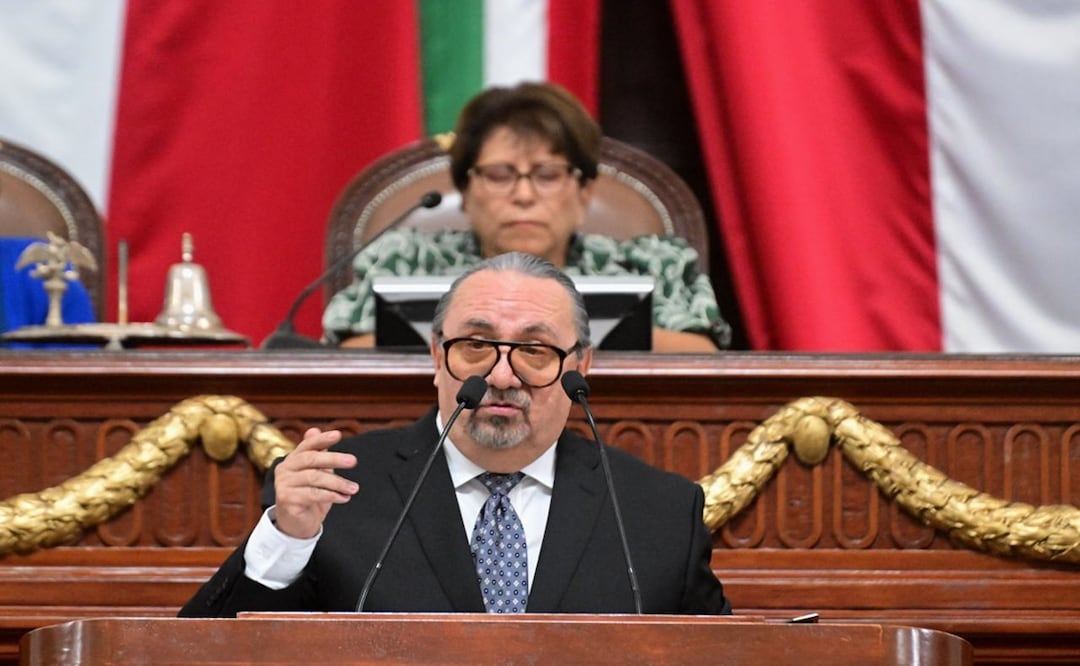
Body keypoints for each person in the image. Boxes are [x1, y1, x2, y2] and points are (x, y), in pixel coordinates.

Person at [181, 252, 731, 616]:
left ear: (580, 364)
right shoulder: (337, 489)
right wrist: (285, 538)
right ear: (436, 357)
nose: (499, 375)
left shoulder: (657, 512)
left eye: (535, 351)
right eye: (475, 346)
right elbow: (206, 652)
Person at [323, 81, 732, 353]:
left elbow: (704, 357)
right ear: (466, 191)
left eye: (547, 175)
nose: (523, 195)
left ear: (584, 191)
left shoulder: (651, 264)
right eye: (500, 175)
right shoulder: (404, 260)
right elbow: (346, 355)